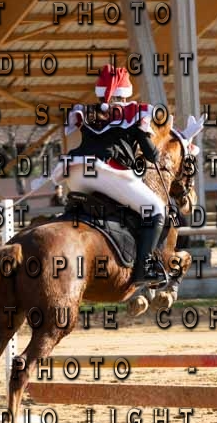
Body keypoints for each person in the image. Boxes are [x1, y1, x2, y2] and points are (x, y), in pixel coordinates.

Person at [63, 64, 167, 285]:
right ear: (126, 93)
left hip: (75, 172)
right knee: (156, 209)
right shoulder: (134, 112)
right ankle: (143, 269)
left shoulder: (87, 111)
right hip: (106, 172)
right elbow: (151, 155)